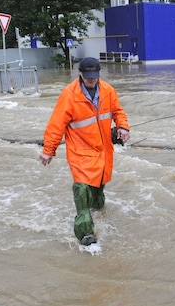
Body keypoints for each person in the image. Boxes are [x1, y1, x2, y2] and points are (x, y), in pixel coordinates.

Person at [39, 57, 130, 246]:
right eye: (88, 77)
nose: (91, 80)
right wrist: (49, 150)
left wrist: (123, 127)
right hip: (79, 151)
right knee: (82, 190)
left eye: (94, 77)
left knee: (98, 189)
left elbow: (118, 111)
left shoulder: (108, 90)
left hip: (103, 150)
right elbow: (56, 125)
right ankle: (85, 233)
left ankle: (99, 209)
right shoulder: (69, 95)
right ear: (79, 73)